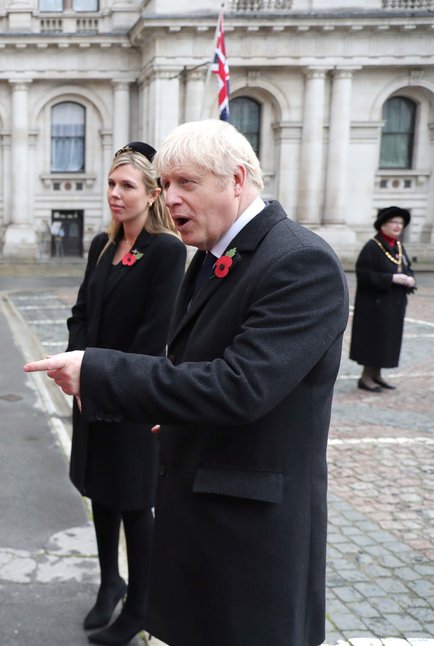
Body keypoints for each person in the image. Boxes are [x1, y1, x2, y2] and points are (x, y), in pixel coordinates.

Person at [25, 119, 348, 646]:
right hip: (202, 513)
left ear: (237, 180)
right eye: (165, 184)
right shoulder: (214, 257)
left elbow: (239, 385)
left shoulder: (298, 261)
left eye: (185, 184)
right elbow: (193, 364)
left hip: (250, 537)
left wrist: (99, 371)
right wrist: (172, 416)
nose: (168, 198)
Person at [65, 142, 186, 643]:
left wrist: (103, 383)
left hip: (131, 400)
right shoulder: (102, 244)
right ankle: (108, 582)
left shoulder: (166, 250)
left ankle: (140, 606)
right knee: (101, 493)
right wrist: (75, 368)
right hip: (91, 392)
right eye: (111, 184)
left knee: (135, 503)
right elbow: (81, 315)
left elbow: (152, 336)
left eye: (127, 186)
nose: (115, 194)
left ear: (153, 193)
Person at [349, 206, 416, 392]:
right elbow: (363, 274)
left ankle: (376, 375)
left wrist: (410, 278)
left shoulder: (399, 246)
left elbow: (406, 268)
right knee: (373, 341)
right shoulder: (372, 246)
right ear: (383, 225)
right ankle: (366, 377)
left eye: (401, 223)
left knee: (387, 342)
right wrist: (391, 278)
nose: (398, 226)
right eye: (394, 222)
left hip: (394, 305)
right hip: (374, 306)